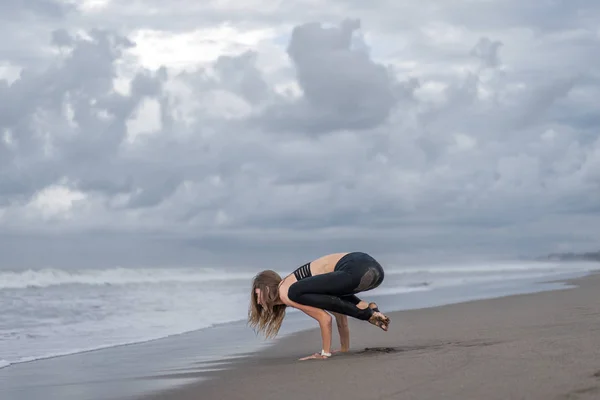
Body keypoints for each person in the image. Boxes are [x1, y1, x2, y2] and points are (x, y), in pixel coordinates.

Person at [248, 251, 390, 361]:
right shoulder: (309, 288)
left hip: (356, 269)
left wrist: (325, 353)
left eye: (257, 293)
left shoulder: (286, 291)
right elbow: (340, 316)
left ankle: (365, 312)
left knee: (294, 292)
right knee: (337, 303)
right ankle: (369, 309)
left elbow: (324, 318)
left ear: (266, 288)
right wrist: (344, 350)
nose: (258, 301)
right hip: (375, 272)